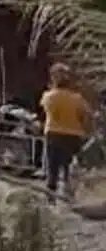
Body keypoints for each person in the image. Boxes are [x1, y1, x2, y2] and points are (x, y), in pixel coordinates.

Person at [41, 62, 92, 199]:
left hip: (53, 134)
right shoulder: (77, 99)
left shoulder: (48, 97)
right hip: (73, 136)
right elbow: (87, 115)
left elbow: (46, 111)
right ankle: (69, 199)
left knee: (52, 170)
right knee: (69, 169)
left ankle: (50, 199)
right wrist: (85, 130)